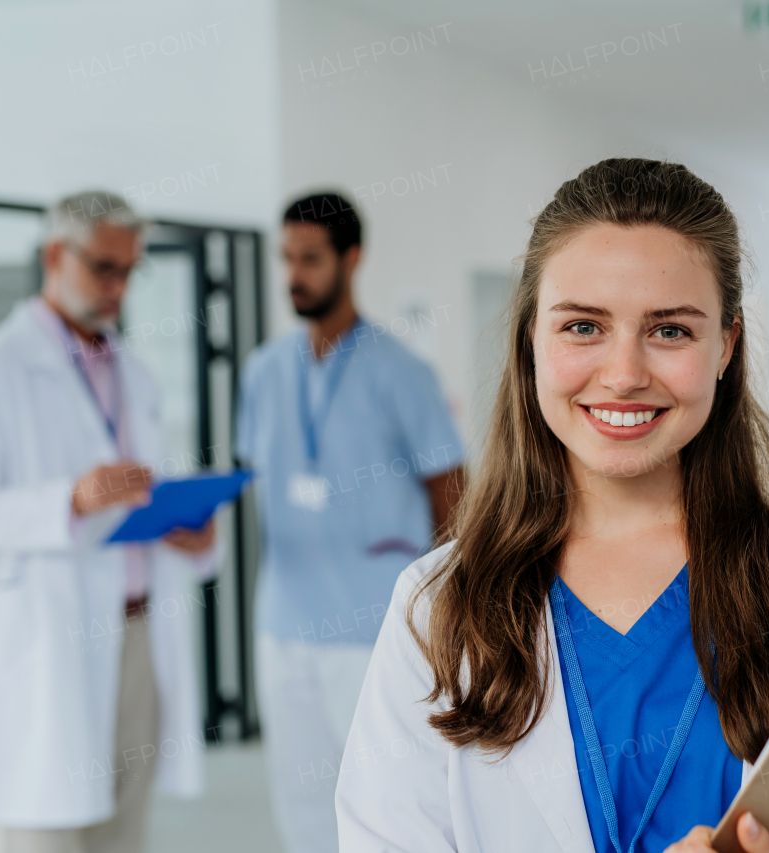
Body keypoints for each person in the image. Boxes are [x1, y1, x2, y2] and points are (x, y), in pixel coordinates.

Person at [335, 159, 769, 853]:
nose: (625, 374)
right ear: (531, 341)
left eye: (670, 331)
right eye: (582, 327)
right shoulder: (435, 607)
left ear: (726, 346)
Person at [0, 190, 218, 853]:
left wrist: (193, 535)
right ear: (55, 255)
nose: (118, 287)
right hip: (48, 644)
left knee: (123, 831)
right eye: (103, 268)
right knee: (44, 831)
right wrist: (68, 501)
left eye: (128, 271)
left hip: (139, 636)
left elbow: (145, 494)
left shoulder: (135, 374)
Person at [236, 191, 465, 852]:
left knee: (385, 799)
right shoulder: (263, 371)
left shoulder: (401, 371)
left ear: (350, 258)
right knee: (301, 799)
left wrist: (445, 613)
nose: (293, 275)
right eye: (287, 258)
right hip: (283, 622)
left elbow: (451, 490)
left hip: (372, 625)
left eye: (309, 258)